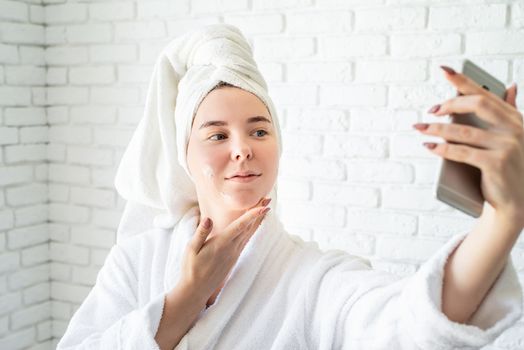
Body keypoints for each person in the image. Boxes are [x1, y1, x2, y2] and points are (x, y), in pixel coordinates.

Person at [56, 24, 523, 350]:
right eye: (217, 135)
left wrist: (504, 219)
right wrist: (186, 299)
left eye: (259, 131)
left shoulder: (312, 279)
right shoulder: (137, 261)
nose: (243, 149)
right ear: (185, 155)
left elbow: (407, 324)